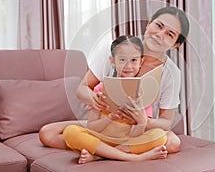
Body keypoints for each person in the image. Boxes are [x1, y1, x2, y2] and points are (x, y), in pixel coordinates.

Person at [39, 6, 190, 157]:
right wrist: (96, 100)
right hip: (107, 122)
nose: (159, 35)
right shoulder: (114, 50)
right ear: (149, 23)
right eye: (159, 25)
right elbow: (82, 89)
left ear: (176, 44)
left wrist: (143, 120)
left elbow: (166, 122)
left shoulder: (171, 73)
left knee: (172, 142)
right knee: (48, 133)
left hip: (138, 128)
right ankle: (121, 152)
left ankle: (99, 153)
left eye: (169, 34)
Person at [63, 35, 168, 163]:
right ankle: (134, 158)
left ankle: (100, 155)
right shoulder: (100, 89)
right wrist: (110, 118)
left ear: (141, 62)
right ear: (113, 61)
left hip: (127, 141)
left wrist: (141, 122)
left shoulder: (144, 92)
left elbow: (136, 135)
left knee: (160, 135)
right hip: (102, 138)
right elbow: (92, 127)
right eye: (122, 59)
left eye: (134, 60)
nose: (128, 66)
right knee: (70, 132)